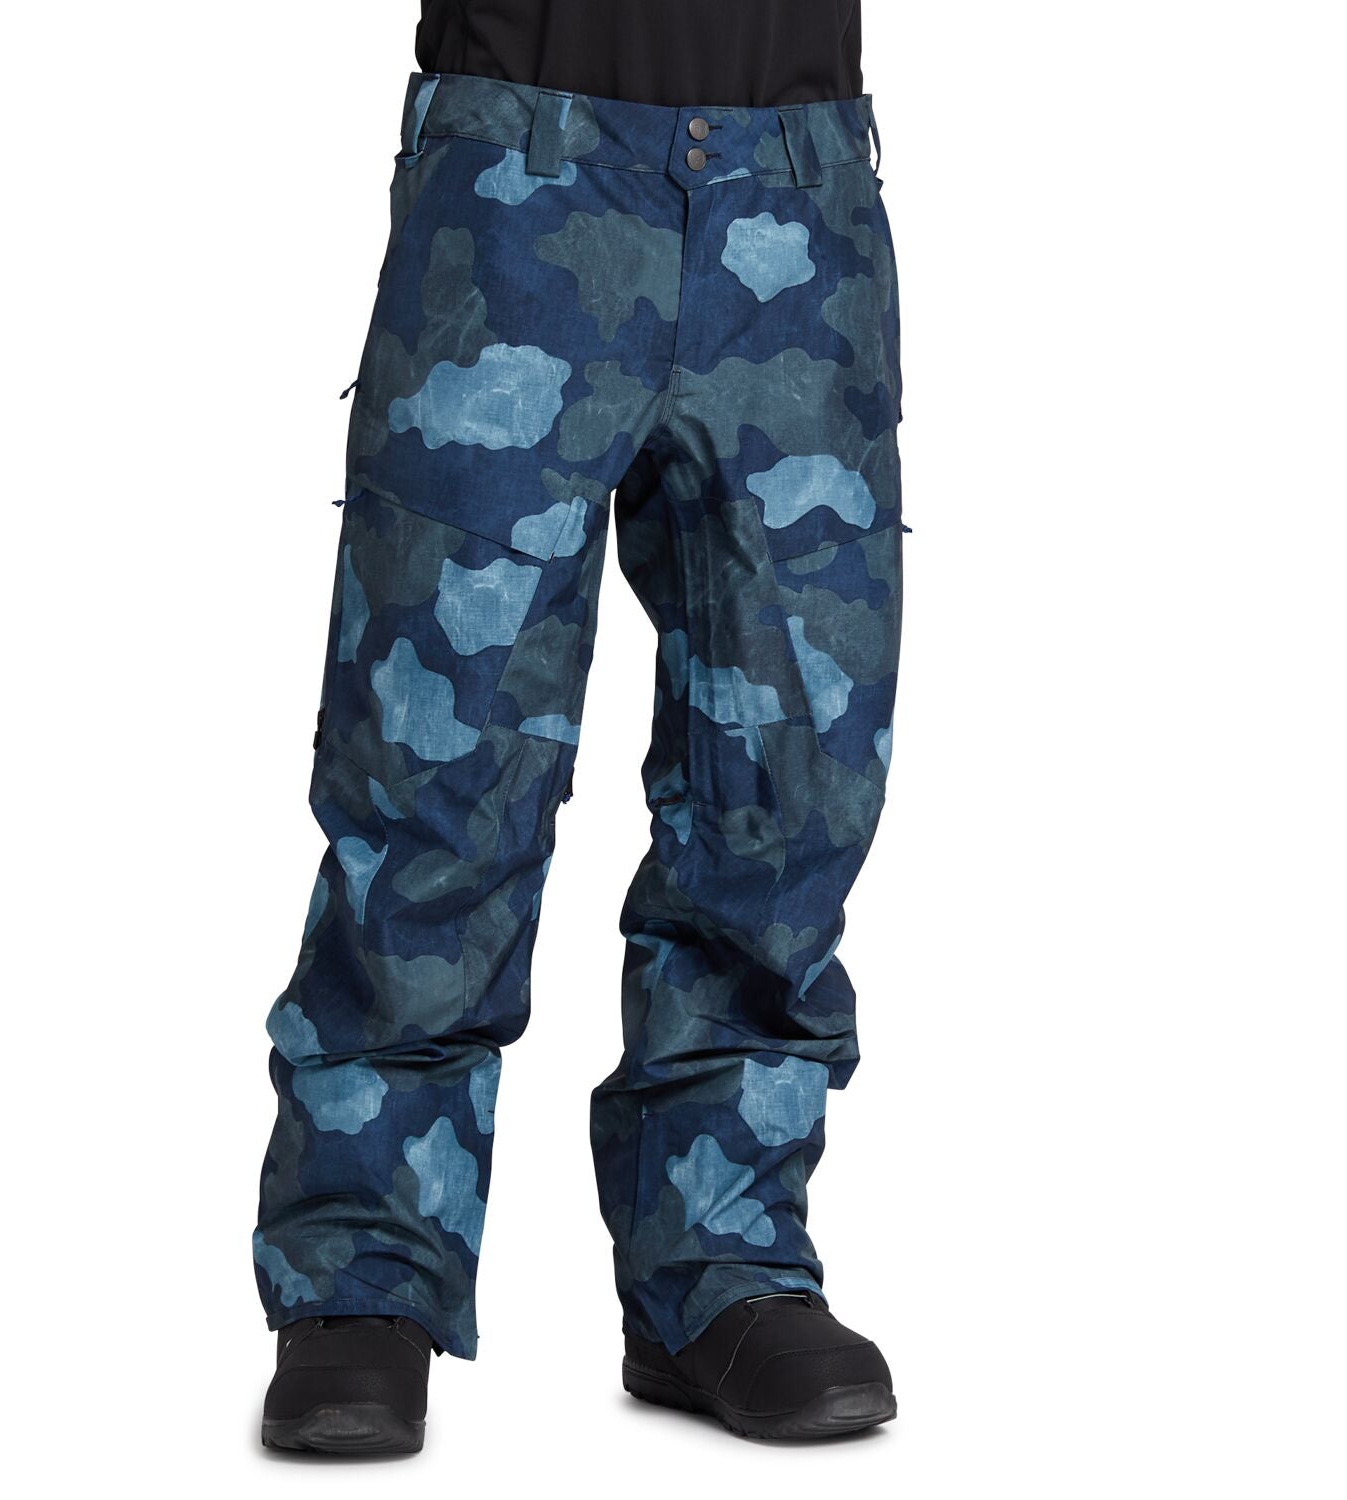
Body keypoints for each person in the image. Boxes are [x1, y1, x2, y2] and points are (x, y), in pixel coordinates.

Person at [255, 0, 904, 1453]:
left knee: (791, 778)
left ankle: (719, 1260)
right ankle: (364, 1270)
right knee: (436, 758)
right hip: (515, 164)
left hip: (798, 189)